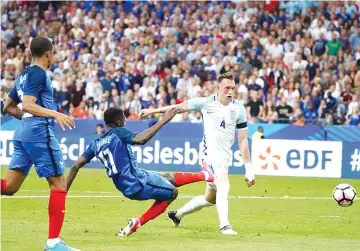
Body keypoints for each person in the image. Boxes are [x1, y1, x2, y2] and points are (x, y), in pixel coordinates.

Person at [66, 107, 214, 236]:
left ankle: (205, 175)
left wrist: (63, 193)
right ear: (118, 122)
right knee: (173, 193)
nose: (125, 122)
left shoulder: (96, 143)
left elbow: (75, 166)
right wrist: (163, 120)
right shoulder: (119, 132)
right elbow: (141, 140)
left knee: (165, 177)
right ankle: (137, 223)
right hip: (136, 182)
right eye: (124, 119)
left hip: (129, 181)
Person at [139, 72, 256, 235]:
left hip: (224, 158)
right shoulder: (205, 103)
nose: (230, 91)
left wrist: (248, 169)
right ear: (218, 88)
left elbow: (243, 140)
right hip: (208, 156)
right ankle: (225, 225)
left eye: (233, 88)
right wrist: (152, 111)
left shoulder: (238, 109)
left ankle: (177, 215)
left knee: (210, 199)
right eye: (227, 88)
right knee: (224, 185)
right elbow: (177, 108)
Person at [1, 37, 78, 251]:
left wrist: (28, 119)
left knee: (9, 187)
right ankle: (53, 243)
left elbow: (7, 107)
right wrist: (53, 114)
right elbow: (27, 105)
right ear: (48, 54)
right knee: (59, 184)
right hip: (38, 133)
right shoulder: (38, 73)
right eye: (53, 53)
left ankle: (54, 242)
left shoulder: (22, 76)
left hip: (23, 132)